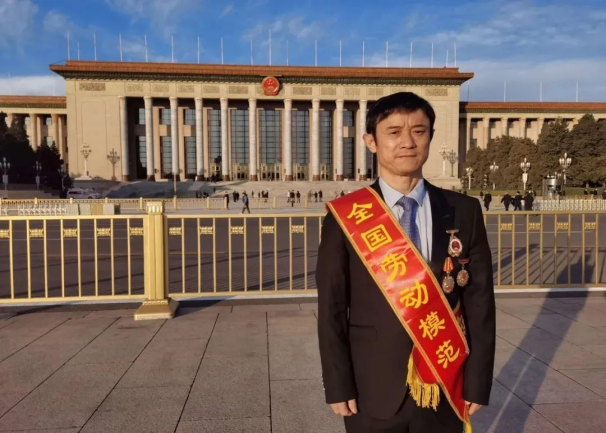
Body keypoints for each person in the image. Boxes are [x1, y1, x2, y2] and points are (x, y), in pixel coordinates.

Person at [317, 92, 495, 433]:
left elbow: (480, 303)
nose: (408, 142)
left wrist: (478, 381)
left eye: (419, 131)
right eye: (394, 132)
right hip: (371, 386)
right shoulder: (346, 216)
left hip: (445, 376)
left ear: (430, 137)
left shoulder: (464, 210)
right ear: (371, 141)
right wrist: (338, 384)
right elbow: (332, 309)